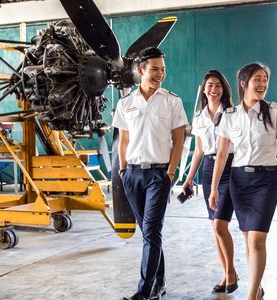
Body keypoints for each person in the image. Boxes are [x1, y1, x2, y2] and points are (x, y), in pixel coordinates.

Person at [209, 62, 277, 300]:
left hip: (266, 181)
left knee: (258, 239)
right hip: (239, 181)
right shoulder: (229, 116)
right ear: (244, 84)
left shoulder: (274, 111)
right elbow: (221, 155)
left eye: (265, 79)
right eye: (257, 80)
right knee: (248, 239)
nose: (262, 84)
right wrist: (213, 189)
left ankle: (251, 295)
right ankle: (258, 289)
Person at [113, 47, 188, 300]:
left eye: (163, 70)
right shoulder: (126, 104)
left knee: (152, 231)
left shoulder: (172, 101)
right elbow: (123, 139)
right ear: (141, 70)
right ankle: (160, 282)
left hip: (159, 175)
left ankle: (144, 291)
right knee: (149, 234)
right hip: (132, 175)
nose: (160, 74)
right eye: (155, 69)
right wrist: (123, 169)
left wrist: (170, 172)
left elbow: (178, 141)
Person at [182, 70, 237, 293]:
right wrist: (188, 178)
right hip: (207, 169)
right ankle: (225, 274)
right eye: (210, 86)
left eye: (218, 86)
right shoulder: (199, 117)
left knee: (220, 224)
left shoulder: (232, 113)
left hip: (230, 169)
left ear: (224, 90)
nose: (214, 90)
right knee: (214, 226)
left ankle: (231, 272)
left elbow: (230, 148)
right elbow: (199, 151)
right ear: (204, 89)